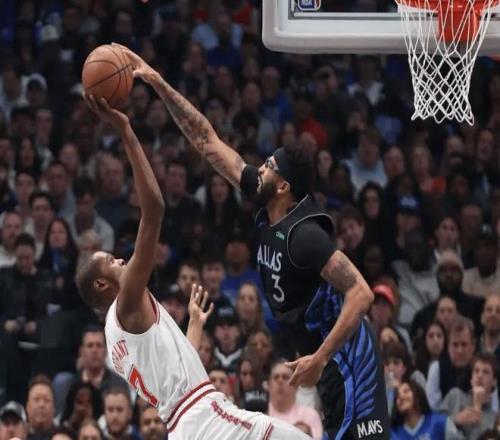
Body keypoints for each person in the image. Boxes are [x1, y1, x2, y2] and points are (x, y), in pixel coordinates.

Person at [118, 43, 388, 440]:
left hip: (349, 360)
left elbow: (362, 294)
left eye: (269, 166)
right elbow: (207, 141)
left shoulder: (304, 236)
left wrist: (320, 356)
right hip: (323, 359)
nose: (259, 168)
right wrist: (159, 83)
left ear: (283, 186)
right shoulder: (266, 201)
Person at [76, 95, 312, 440]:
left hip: (184, 426)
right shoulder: (126, 300)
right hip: (206, 418)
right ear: (101, 285)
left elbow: (178, 376)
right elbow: (154, 209)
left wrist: (195, 327)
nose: (121, 259)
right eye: (111, 261)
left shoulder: (117, 336)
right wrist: (126, 131)